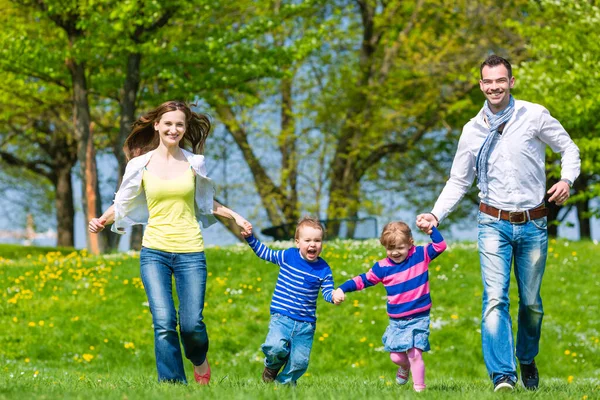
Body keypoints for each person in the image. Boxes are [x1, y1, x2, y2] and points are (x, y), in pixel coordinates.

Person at [416, 55, 580, 392]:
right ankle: (502, 375)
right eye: (488, 82)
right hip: (492, 222)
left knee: (532, 302)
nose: (494, 87)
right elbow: (459, 181)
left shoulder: (534, 115)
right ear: (480, 85)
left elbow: (568, 148)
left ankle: (527, 356)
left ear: (511, 81)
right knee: (495, 298)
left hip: (534, 223)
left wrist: (567, 180)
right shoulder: (472, 130)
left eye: (500, 81)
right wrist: (435, 214)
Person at [88, 100, 250, 384]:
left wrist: (234, 216)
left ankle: (199, 360)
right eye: (168, 123)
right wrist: (102, 219)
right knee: (163, 323)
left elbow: (204, 201)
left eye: (179, 124)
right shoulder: (140, 164)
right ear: (157, 125)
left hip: (190, 252)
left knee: (191, 325)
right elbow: (123, 202)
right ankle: (173, 385)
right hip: (154, 252)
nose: (173, 129)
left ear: (184, 129)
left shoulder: (194, 162)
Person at [332, 221, 446, 392]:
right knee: (396, 357)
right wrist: (342, 288)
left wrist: (431, 230)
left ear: (410, 243)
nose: (395, 252)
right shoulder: (382, 267)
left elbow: (440, 246)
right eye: (390, 249)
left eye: (400, 248)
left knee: (415, 353)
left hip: (419, 318)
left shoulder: (420, 255)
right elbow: (363, 280)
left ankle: (420, 389)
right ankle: (404, 367)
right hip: (396, 322)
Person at [240, 217, 335, 385]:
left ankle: (281, 386)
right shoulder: (288, 256)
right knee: (275, 347)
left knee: (299, 363)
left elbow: (327, 292)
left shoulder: (324, 269)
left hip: (305, 325)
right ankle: (272, 366)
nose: (313, 244)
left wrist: (334, 296)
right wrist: (250, 238)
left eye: (317, 240)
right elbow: (265, 253)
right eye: (308, 240)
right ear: (297, 242)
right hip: (281, 318)